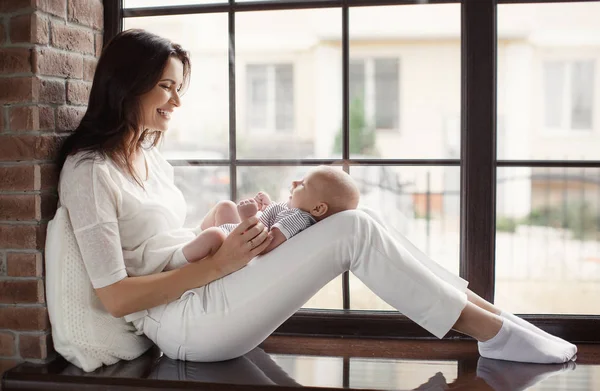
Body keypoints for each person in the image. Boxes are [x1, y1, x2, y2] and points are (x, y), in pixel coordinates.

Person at [54, 28, 577, 367]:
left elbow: (168, 244)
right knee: (351, 229)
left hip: (206, 294)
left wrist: (231, 234)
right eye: (166, 86)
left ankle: (497, 321)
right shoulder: (88, 172)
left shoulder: (150, 159)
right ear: (128, 85)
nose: (176, 99)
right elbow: (116, 297)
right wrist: (221, 263)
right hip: (183, 324)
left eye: (177, 87)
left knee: (360, 220)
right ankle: (495, 332)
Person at [183, 165, 360, 262]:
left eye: (303, 184)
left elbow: (264, 245)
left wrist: (249, 218)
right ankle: (187, 244)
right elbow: (277, 222)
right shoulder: (296, 213)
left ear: (318, 209)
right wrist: (268, 205)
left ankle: (176, 263)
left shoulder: (299, 218)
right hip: (237, 237)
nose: (295, 181)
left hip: (235, 247)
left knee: (212, 236)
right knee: (225, 207)